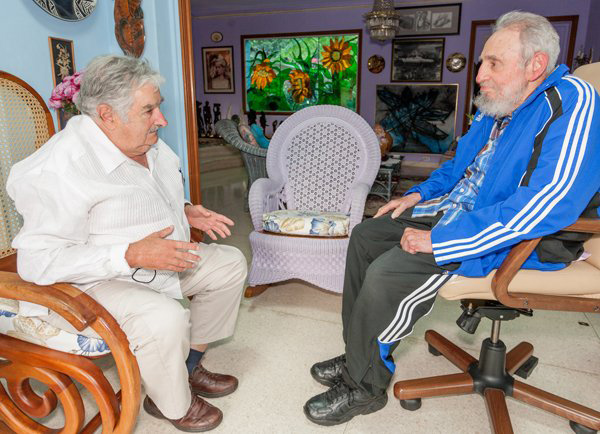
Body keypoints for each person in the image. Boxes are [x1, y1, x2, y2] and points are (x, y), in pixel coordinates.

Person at [304, 11, 600, 426]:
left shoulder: (572, 101)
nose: (480, 76)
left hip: (521, 236)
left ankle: (364, 386)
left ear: (535, 65)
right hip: (460, 213)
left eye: (493, 63)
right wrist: (418, 194)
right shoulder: (502, 104)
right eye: (482, 63)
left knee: (389, 271)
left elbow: (550, 202)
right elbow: (460, 165)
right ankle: (359, 352)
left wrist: (444, 241)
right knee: (366, 236)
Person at [7, 55, 247, 432]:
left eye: (158, 107)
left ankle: (186, 367)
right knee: (164, 318)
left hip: (151, 262)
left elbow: (144, 194)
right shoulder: (60, 167)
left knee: (229, 264)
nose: (161, 120)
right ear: (107, 115)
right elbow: (37, 262)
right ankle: (173, 404)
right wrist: (130, 254)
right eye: (149, 110)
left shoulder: (142, 141)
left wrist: (184, 211)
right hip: (87, 281)